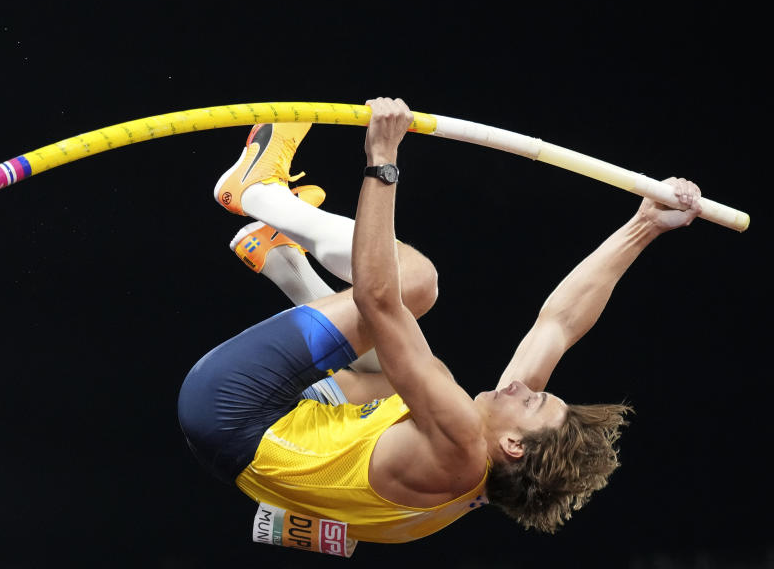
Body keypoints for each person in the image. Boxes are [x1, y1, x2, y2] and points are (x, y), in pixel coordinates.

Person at [178, 98, 703, 548]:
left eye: (534, 401)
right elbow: (557, 326)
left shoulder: (458, 439)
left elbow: (381, 299)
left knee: (415, 285)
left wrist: (382, 157)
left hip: (229, 409)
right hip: (269, 457)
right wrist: (644, 227)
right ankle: (283, 261)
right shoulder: (485, 466)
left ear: (514, 446)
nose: (523, 387)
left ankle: (255, 192)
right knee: (403, 381)